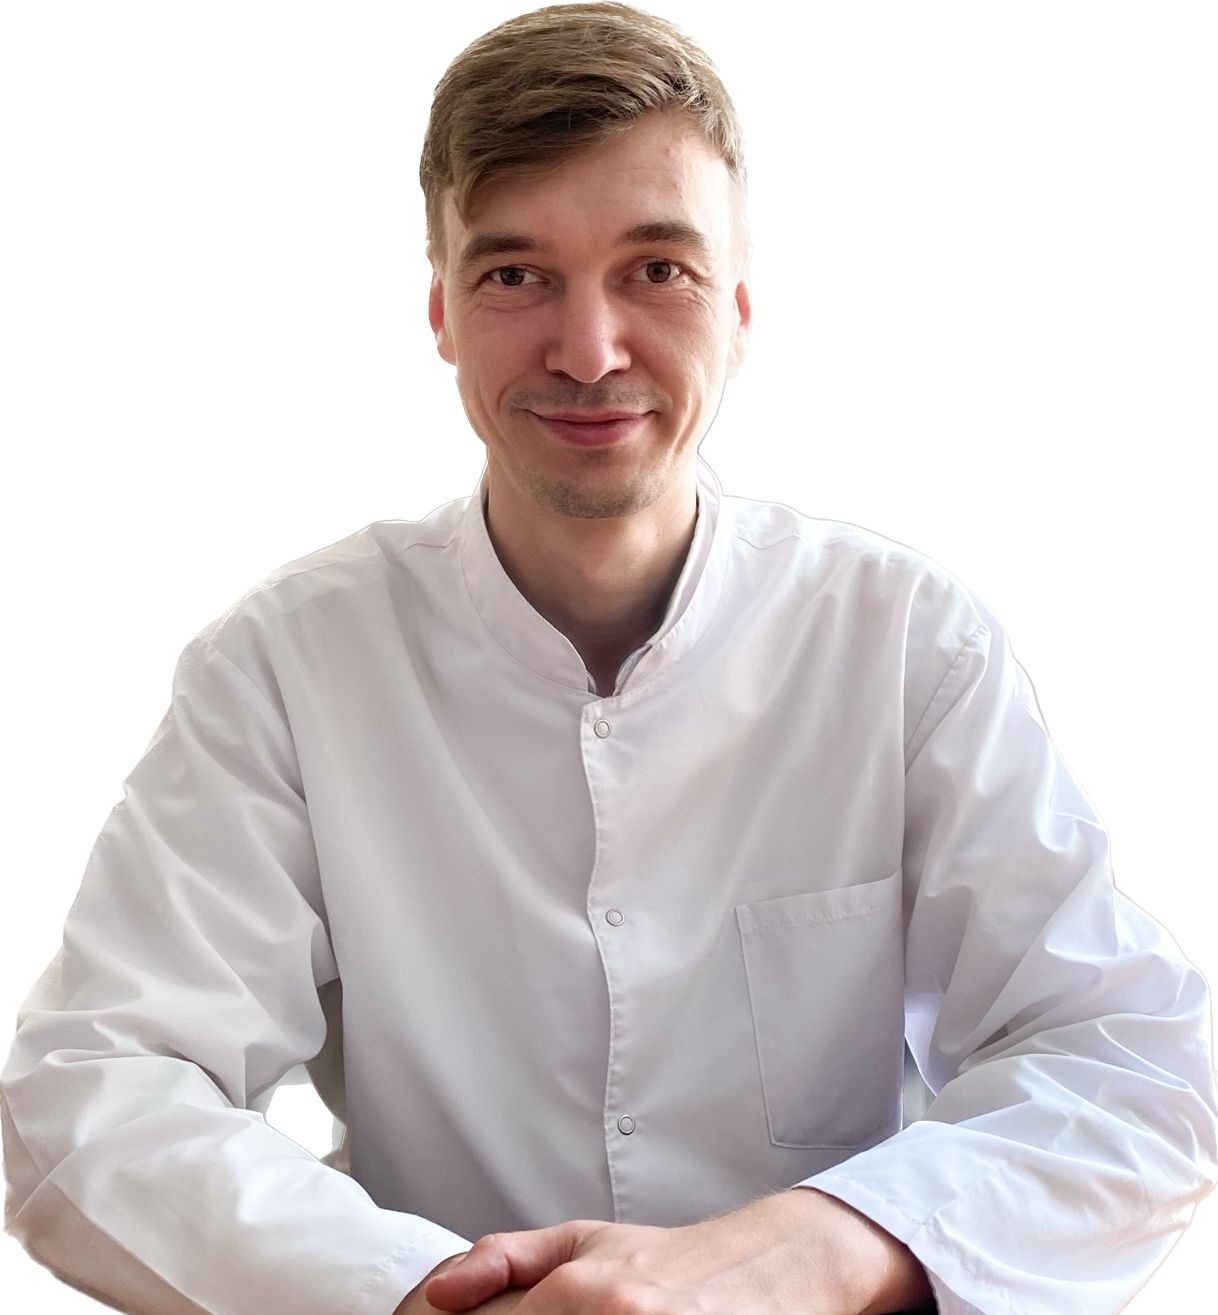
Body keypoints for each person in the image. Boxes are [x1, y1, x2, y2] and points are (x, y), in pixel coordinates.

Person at [3, 3, 1216, 1312]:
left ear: (737, 307)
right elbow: (94, 1090)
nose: (588, 353)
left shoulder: (907, 645)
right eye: (515, 276)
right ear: (441, 310)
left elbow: (1137, 1070)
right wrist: (428, 1293)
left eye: (657, 270)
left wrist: (797, 1257)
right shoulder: (286, 668)